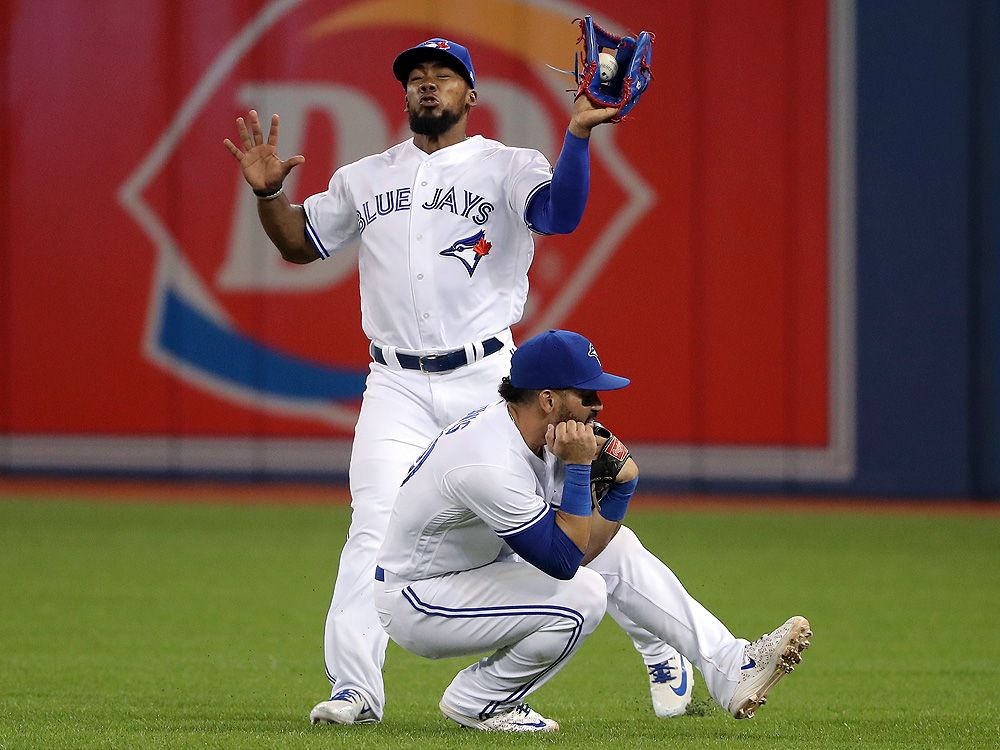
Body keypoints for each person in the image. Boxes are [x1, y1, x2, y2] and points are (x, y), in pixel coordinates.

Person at [223, 36, 691, 725]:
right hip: (397, 385)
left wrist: (581, 136)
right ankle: (356, 691)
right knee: (372, 529)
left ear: (472, 95)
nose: (428, 83)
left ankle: (662, 645)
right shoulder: (365, 176)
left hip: (488, 379)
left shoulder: (507, 164)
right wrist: (269, 195)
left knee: (556, 516)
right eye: (416, 76)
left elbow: (559, 214)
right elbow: (298, 242)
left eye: (444, 75)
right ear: (404, 93)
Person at [375, 329, 812, 731]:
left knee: (618, 550)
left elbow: (588, 549)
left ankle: (733, 667)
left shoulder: (542, 435)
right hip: (419, 599)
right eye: (587, 393)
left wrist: (623, 487)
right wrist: (583, 468)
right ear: (548, 400)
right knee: (581, 595)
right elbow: (565, 562)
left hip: (475, 571)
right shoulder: (488, 463)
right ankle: (481, 700)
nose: (599, 405)